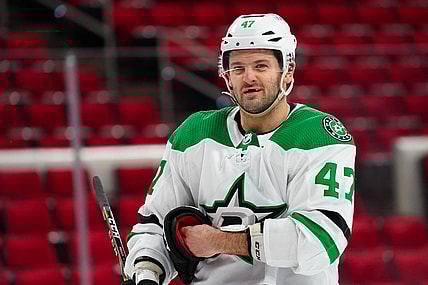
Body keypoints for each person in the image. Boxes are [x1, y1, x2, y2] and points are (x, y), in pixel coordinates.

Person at [125, 13, 356, 285]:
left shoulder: (319, 135)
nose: (249, 78)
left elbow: (320, 241)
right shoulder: (193, 133)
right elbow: (154, 224)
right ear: (227, 76)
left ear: (287, 71)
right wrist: (147, 274)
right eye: (238, 68)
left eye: (261, 66)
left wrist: (219, 240)